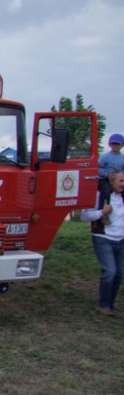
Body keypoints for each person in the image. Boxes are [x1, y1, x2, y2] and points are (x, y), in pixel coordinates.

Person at [81, 169, 124, 316]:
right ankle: (103, 304)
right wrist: (102, 213)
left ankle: (111, 305)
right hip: (103, 238)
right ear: (112, 182)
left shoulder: (122, 198)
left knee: (119, 274)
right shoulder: (99, 195)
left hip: (121, 240)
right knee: (110, 271)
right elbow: (84, 216)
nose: (123, 184)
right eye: (121, 181)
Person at [98, 133, 124, 203]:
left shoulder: (122, 157)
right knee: (106, 191)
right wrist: (107, 175)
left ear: (122, 145)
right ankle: (103, 210)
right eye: (114, 144)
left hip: (118, 179)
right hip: (104, 179)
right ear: (110, 145)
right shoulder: (104, 157)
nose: (116, 146)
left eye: (118, 144)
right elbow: (97, 169)